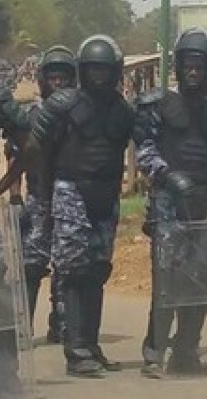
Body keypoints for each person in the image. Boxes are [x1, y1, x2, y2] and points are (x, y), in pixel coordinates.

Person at [134, 28, 207, 377]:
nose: (192, 72)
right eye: (187, 66)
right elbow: (144, 150)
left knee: (202, 279)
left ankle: (186, 350)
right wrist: (165, 176)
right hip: (169, 202)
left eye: (199, 66)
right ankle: (154, 352)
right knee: (167, 279)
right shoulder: (158, 104)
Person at [30, 35, 134, 378]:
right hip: (70, 190)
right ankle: (75, 350)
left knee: (97, 270)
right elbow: (38, 152)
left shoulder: (123, 110)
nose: (99, 77)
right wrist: (44, 200)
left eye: (106, 71)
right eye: (93, 71)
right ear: (82, 71)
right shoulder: (61, 106)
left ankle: (91, 343)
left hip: (107, 195)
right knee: (73, 271)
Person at [0, 45, 77, 343]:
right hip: (38, 197)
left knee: (67, 266)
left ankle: (64, 326)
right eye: (52, 78)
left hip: (72, 201)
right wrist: (12, 195)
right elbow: (17, 157)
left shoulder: (79, 115)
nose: (57, 84)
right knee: (31, 265)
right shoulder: (30, 116)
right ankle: (23, 326)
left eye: (63, 78)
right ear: (42, 80)